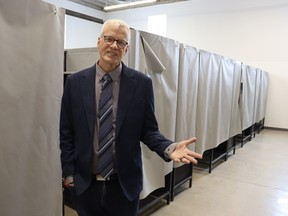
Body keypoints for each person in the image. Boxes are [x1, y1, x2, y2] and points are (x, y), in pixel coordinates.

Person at [60, 19, 202, 216]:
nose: (114, 46)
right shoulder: (75, 83)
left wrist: (168, 148)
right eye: (109, 39)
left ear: (126, 49)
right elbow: (66, 133)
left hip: (124, 187)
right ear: (99, 41)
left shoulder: (141, 84)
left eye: (121, 42)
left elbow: (149, 130)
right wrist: (69, 175)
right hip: (85, 186)